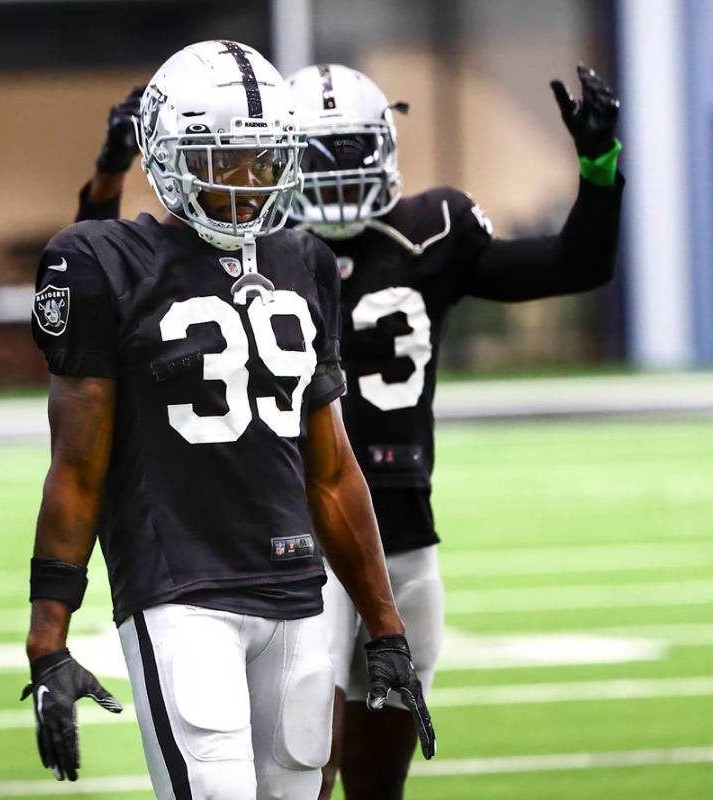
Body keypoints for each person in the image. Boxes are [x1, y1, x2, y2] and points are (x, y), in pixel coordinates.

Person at [74, 61, 623, 800]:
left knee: (384, 757)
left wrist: (599, 166)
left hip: (404, 526)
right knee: (304, 753)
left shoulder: (431, 231)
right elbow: (106, 268)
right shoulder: (260, 245)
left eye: (353, 151)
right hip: (301, 528)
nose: (336, 175)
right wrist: (114, 167)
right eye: (321, 155)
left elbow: (573, 263)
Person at [24, 40, 435, 800]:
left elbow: (333, 469)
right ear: (172, 155)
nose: (249, 182)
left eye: (264, 158)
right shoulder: (104, 261)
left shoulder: (304, 261)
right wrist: (48, 634)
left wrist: (385, 628)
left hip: (296, 594)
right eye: (226, 157)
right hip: (179, 592)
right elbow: (76, 466)